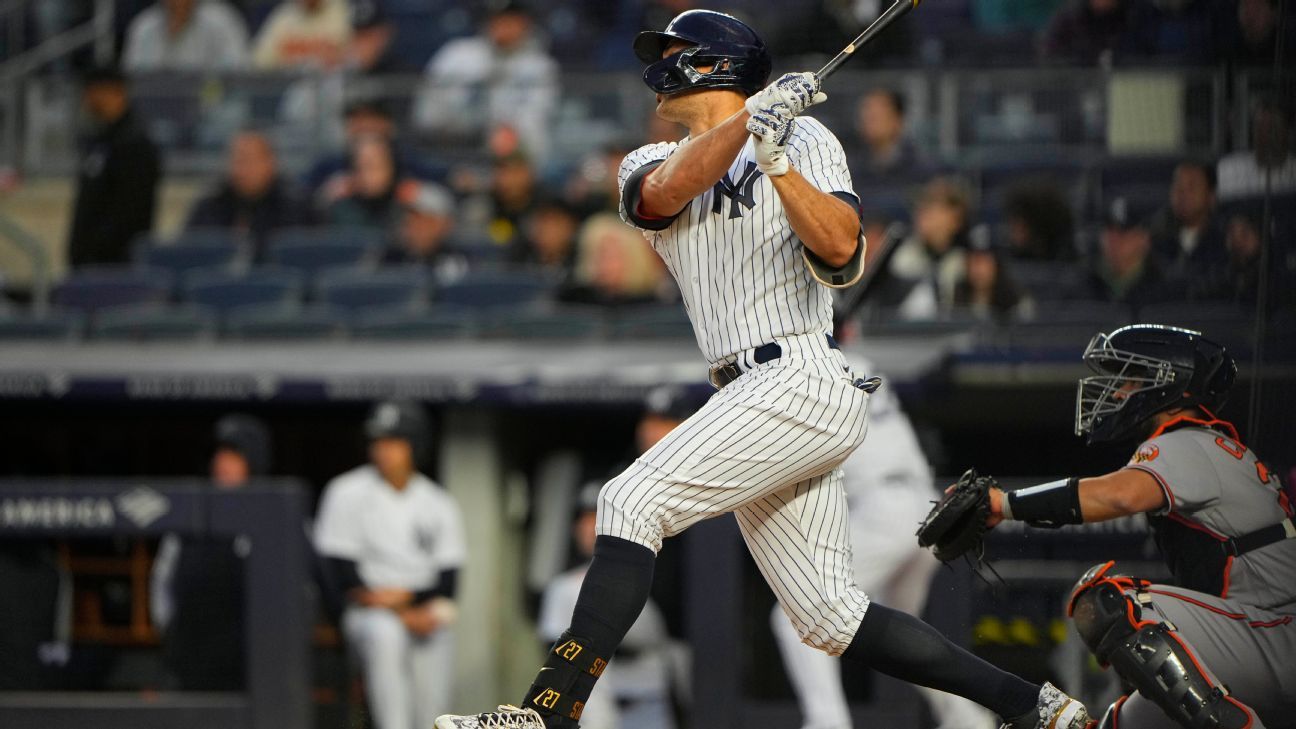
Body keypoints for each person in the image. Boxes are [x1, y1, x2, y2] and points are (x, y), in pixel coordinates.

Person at [435, 10, 1089, 729]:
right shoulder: (646, 159)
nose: (660, 71)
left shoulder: (807, 137)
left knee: (628, 500)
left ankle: (546, 713)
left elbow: (841, 253)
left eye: (677, 55)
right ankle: (1036, 705)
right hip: (747, 389)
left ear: (716, 64)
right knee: (828, 616)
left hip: (799, 372)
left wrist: (777, 159)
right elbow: (668, 191)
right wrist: (748, 126)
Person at [962, 324, 1295, 728]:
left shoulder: (1188, 440)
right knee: (1121, 724)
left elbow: (1118, 495)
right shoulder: (1205, 445)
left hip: (1279, 634)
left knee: (1110, 604)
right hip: (1261, 636)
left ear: (1170, 384)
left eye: (1132, 378)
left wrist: (1004, 504)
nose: (1118, 390)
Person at [771, 361, 996, 729]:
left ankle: (828, 723)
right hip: (925, 506)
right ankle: (969, 720)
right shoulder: (855, 363)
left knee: (794, 615)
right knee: (897, 635)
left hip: (883, 506)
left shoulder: (804, 367)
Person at [316, 401, 466, 729]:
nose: (383, 451)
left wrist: (409, 603)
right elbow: (338, 575)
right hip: (368, 613)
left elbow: (449, 581)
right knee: (386, 634)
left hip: (420, 610)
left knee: (435, 701)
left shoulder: (438, 503)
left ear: (416, 445)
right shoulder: (346, 492)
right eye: (378, 442)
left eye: (394, 442)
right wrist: (397, 610)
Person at [538, 483, 677, 729]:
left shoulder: (648, 572)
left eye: (599, 518)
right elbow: (554, 656)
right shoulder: (564, 587)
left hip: (649, 699)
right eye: (586, 519)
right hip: (598, 703)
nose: (591, 528)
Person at [150, 414, 273, 690]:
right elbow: (163, 588)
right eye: (219, 455)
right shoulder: (189, 520)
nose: (222, 464)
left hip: (257, 659)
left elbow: (297, 595)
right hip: (195, 658)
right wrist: (173, 638)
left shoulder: (277, 516)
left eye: (234, 455)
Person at [412, 1, 559, 162]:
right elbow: (427, 111)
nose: (504, 27)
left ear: (525, 23)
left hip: (512, 156)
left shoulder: (540, 66)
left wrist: (507, 133)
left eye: (511, 20)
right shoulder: (457, 54)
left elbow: (538, 117)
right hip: (454, 147)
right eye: (499, 19)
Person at [67, 66, 161, 268]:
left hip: (117, 263)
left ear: (114, 93)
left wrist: (94, 251)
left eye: (94, 93)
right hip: (89, 262)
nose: (88, 100)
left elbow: (130, 212)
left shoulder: (136, 144)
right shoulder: (99, 139)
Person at [186, 130, 314, 258]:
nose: (241, 169)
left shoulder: (296, 205)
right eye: (236, 160)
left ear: (270, 162)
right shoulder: (211, 204)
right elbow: (190, 253)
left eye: (248, 160)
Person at [886, 177, 973, 320]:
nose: (922, 213)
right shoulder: (902, 257)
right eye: (921, 207)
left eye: (933, 207)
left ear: (956, 217)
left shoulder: (972, 260)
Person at [1072, 197, 1175, 310]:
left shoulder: (1165, 286)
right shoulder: (1082, 282)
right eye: (1109, 231)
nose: (1114, 240)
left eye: (1123, 233)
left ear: (1144, 239)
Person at [1148, 160, 1226, 277]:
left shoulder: (1226, 239)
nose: (1182, 194)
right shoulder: (1154, 233)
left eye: (1192, 187)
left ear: (1211, 197)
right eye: (1178, 186)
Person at [122, 0, 249, 71]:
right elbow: (133, 80)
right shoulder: (143, 27)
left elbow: (236, 75)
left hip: (211, 108)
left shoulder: (222, 21)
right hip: (157, 111)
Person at [383, 181, 469, 283]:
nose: (410, 224)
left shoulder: (459, 263)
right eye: (407, 216)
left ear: (443, 223)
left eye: (420, 218)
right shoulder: (390, 258)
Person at [252, 0, 351, 70]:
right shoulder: (285, 14)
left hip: (330, 89)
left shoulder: (342, 10)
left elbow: (350, 57)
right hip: (287, 87)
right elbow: (258, 61)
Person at [851, 88, 923, 181]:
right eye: (866, 116)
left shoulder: (921, 170)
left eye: (875, 117)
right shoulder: (850, 168)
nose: (868, 122)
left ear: (897, 120)